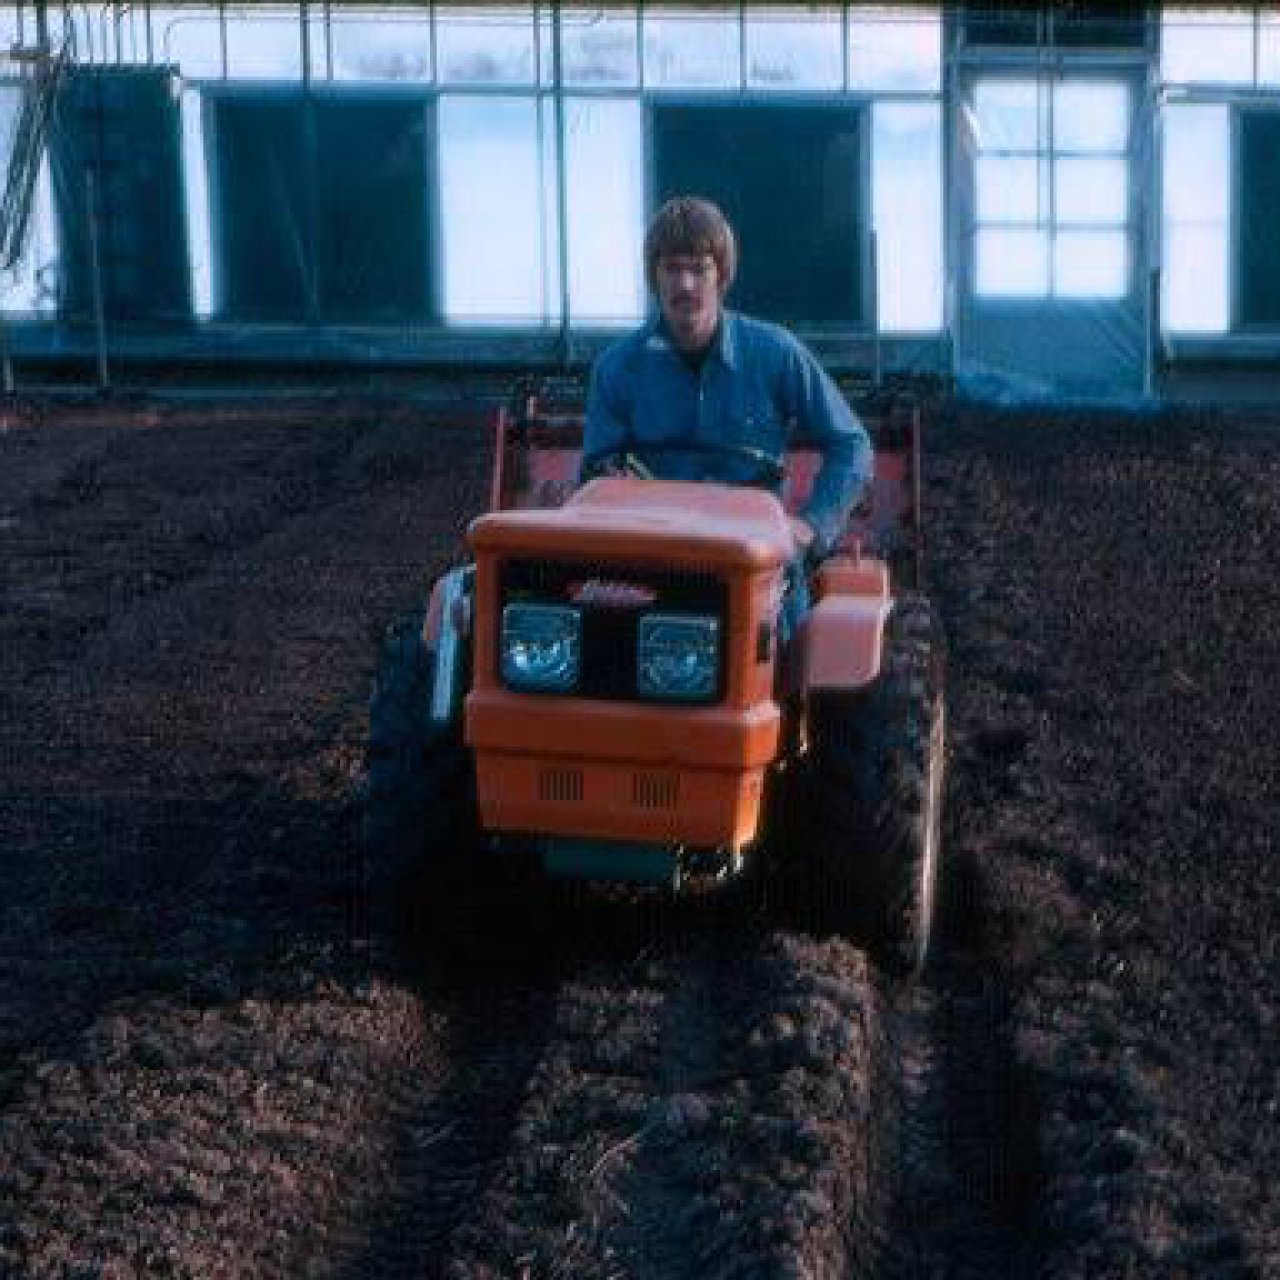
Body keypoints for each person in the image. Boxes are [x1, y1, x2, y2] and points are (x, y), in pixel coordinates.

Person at [581, 195, 873, 571]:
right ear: (653, 276)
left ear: (722, 275)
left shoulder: (776, 353)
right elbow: (595, 474)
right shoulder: (616, 368)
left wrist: (812, 526)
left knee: (805, 622)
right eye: (671, 269)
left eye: (699, 269)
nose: (684, 284)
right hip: (651, 560)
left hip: (756, 562)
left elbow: (851, 443)